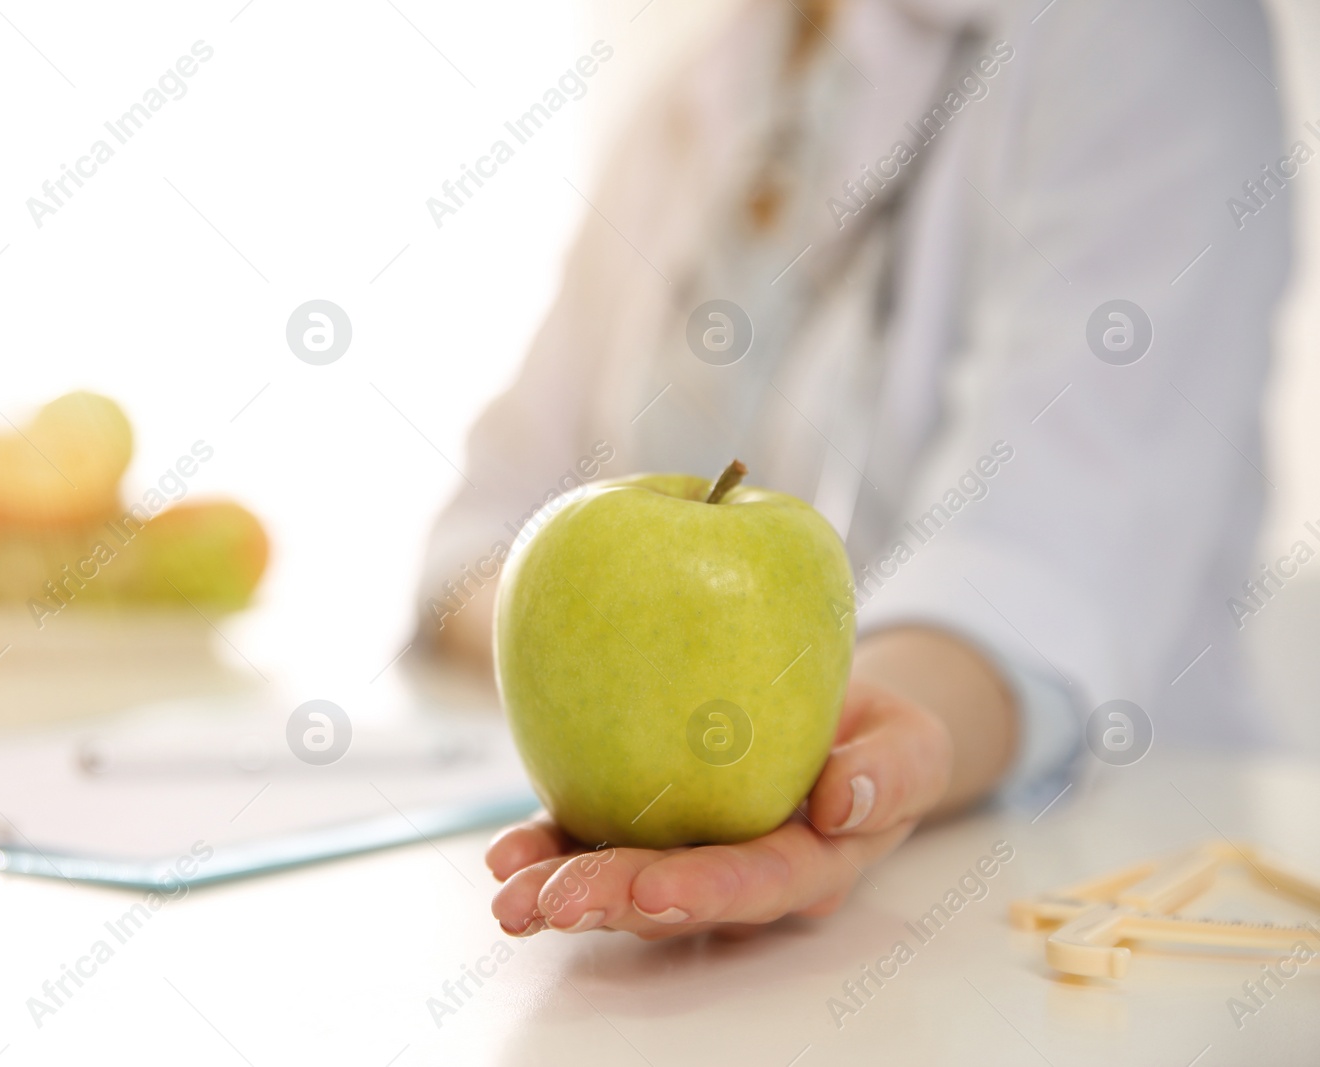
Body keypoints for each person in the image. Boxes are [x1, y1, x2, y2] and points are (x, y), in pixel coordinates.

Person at [417, 0, 1291, 939]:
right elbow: (481, 530)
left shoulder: (1147, 32)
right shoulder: (696, 87)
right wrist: (581, 661)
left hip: (1108, 891)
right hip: (728, 961)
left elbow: (1040, 562)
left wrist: (851, 756)